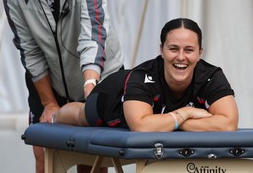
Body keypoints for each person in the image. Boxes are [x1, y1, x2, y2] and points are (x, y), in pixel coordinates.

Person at [2, 0, 124, 173]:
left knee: (91, 158)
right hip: (50, 81)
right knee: (44, 155)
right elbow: (29, 49)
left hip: (99, 74)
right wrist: (49, 103)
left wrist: (90, 85)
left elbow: (93, 34)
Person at [53, 18, 239, 132]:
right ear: (162, 50)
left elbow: (228, 124)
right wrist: (186, 113)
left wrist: (172, 123)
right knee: (81, 114)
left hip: (161, 114)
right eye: (173, 48)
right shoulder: (143, 75)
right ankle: (53, 117)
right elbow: (142, 126)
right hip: (113, 96)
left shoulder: (212, 75)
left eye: (189, 50)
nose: (181, 57)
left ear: (200, 53)